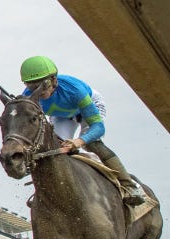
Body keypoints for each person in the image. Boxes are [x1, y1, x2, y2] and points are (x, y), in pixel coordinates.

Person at [20, 56, 145, 206]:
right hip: (62, 115)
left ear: (54, 80)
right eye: (32, 86)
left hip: (89, 106)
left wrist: (79, 141)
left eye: (43, 85)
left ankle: (129, 185)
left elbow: (98, 128)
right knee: (54, 147)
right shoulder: (28, 97)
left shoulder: (75, 91)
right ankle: (43, 190)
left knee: (92, 144)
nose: (39, 91)